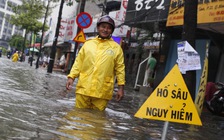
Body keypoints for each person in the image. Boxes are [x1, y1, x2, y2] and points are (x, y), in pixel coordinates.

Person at [66, 15, 125, 111]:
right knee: (78, 115)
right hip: (84, 88)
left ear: (112, 31)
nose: (105, 30)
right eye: (103, 27)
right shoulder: (88, 44)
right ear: (98, 27)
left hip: (102, 91)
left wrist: (121, 88)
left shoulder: (116, 48)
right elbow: (78, 62)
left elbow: (120, 69)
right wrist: (71, 77)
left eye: (109, 28)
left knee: (97, 120)